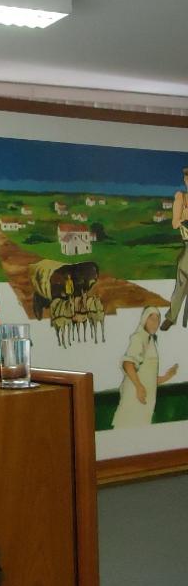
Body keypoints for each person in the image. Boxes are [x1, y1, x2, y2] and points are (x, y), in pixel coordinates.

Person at [111, 306, 178, 428]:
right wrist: (139, 387)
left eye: (157, 320)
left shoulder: (149, 340)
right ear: (144, 319)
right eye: (151, 319)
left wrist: (167, 376)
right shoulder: (139, 337)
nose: (155, 323)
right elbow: (127, 363)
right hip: (135, 397)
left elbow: (148, 378)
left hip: (145, 400)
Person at [160, 166, 188, 331]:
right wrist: (184, 215)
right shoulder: (181, 197)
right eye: (187, 179)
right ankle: (172, 317)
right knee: (182, 281)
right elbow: (175, 223)